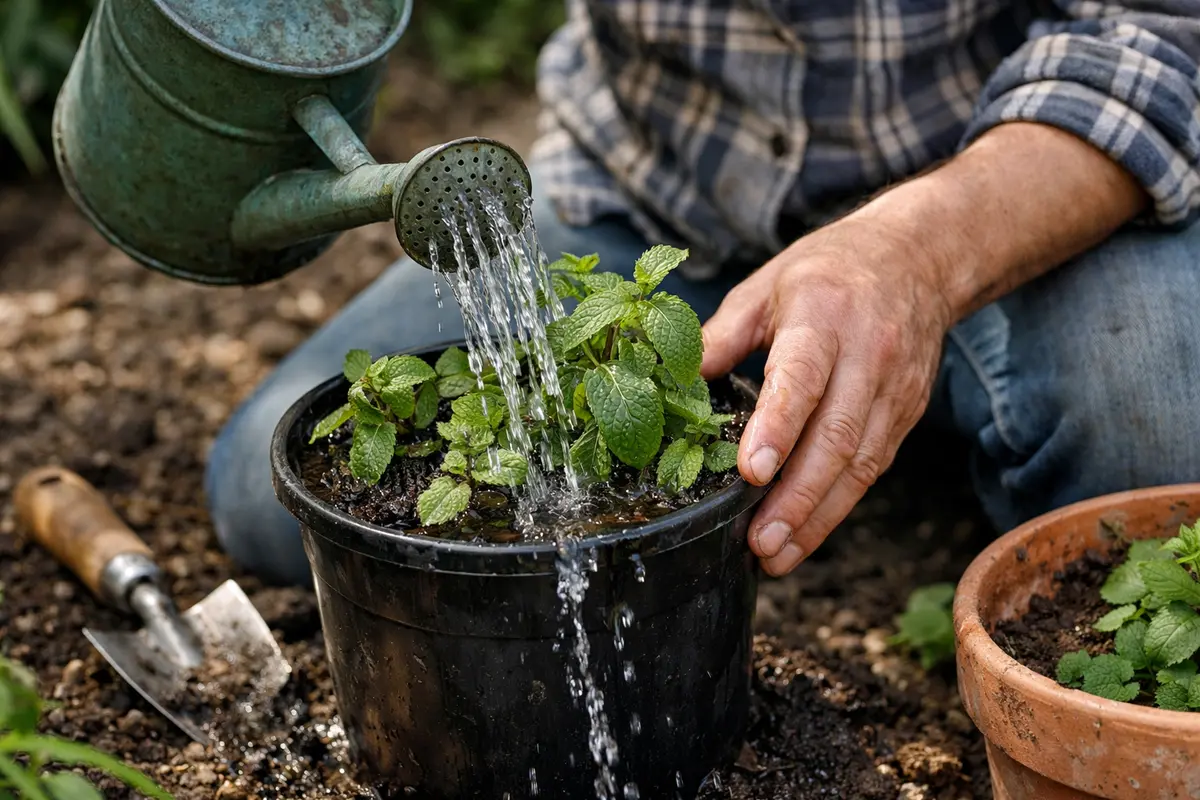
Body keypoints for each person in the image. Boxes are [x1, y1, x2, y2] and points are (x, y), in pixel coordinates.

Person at [207, 0, 1200, 587]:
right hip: (653, 194)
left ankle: (883, 416)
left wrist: (917, 255)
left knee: (1158, 458)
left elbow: (1163, 32)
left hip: (995, 193)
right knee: (274, 487)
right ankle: (823, 424)